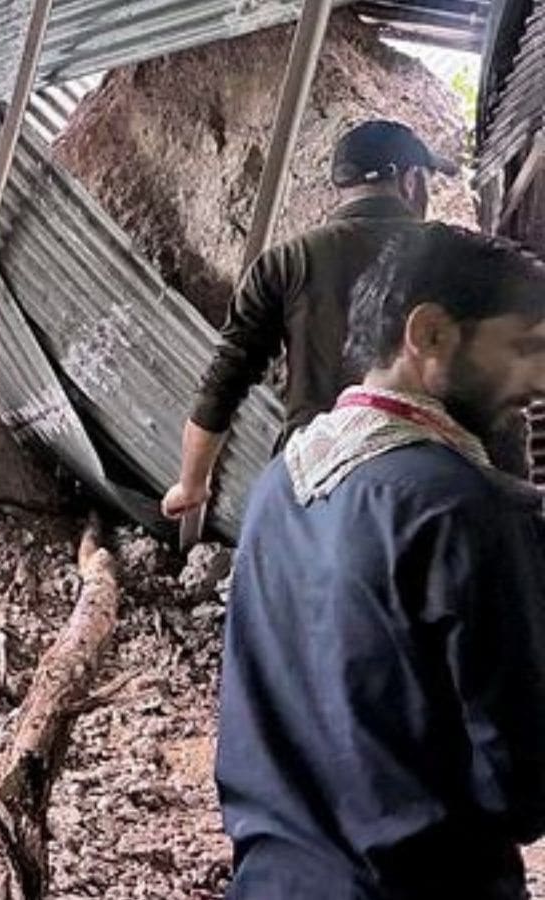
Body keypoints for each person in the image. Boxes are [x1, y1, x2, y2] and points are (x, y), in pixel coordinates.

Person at [216, 224, 545, 899]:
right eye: (523, 348)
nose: (538, 382)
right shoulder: (467, 511)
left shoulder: (278, 484)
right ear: (429, 334)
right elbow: (522, 788)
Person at [162, 120, 458, 521]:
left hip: (311, 486)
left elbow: (223, 382)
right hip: (425, 491)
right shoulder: (460, 258)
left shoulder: (284, 263)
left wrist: (192, 484)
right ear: (410, 181)